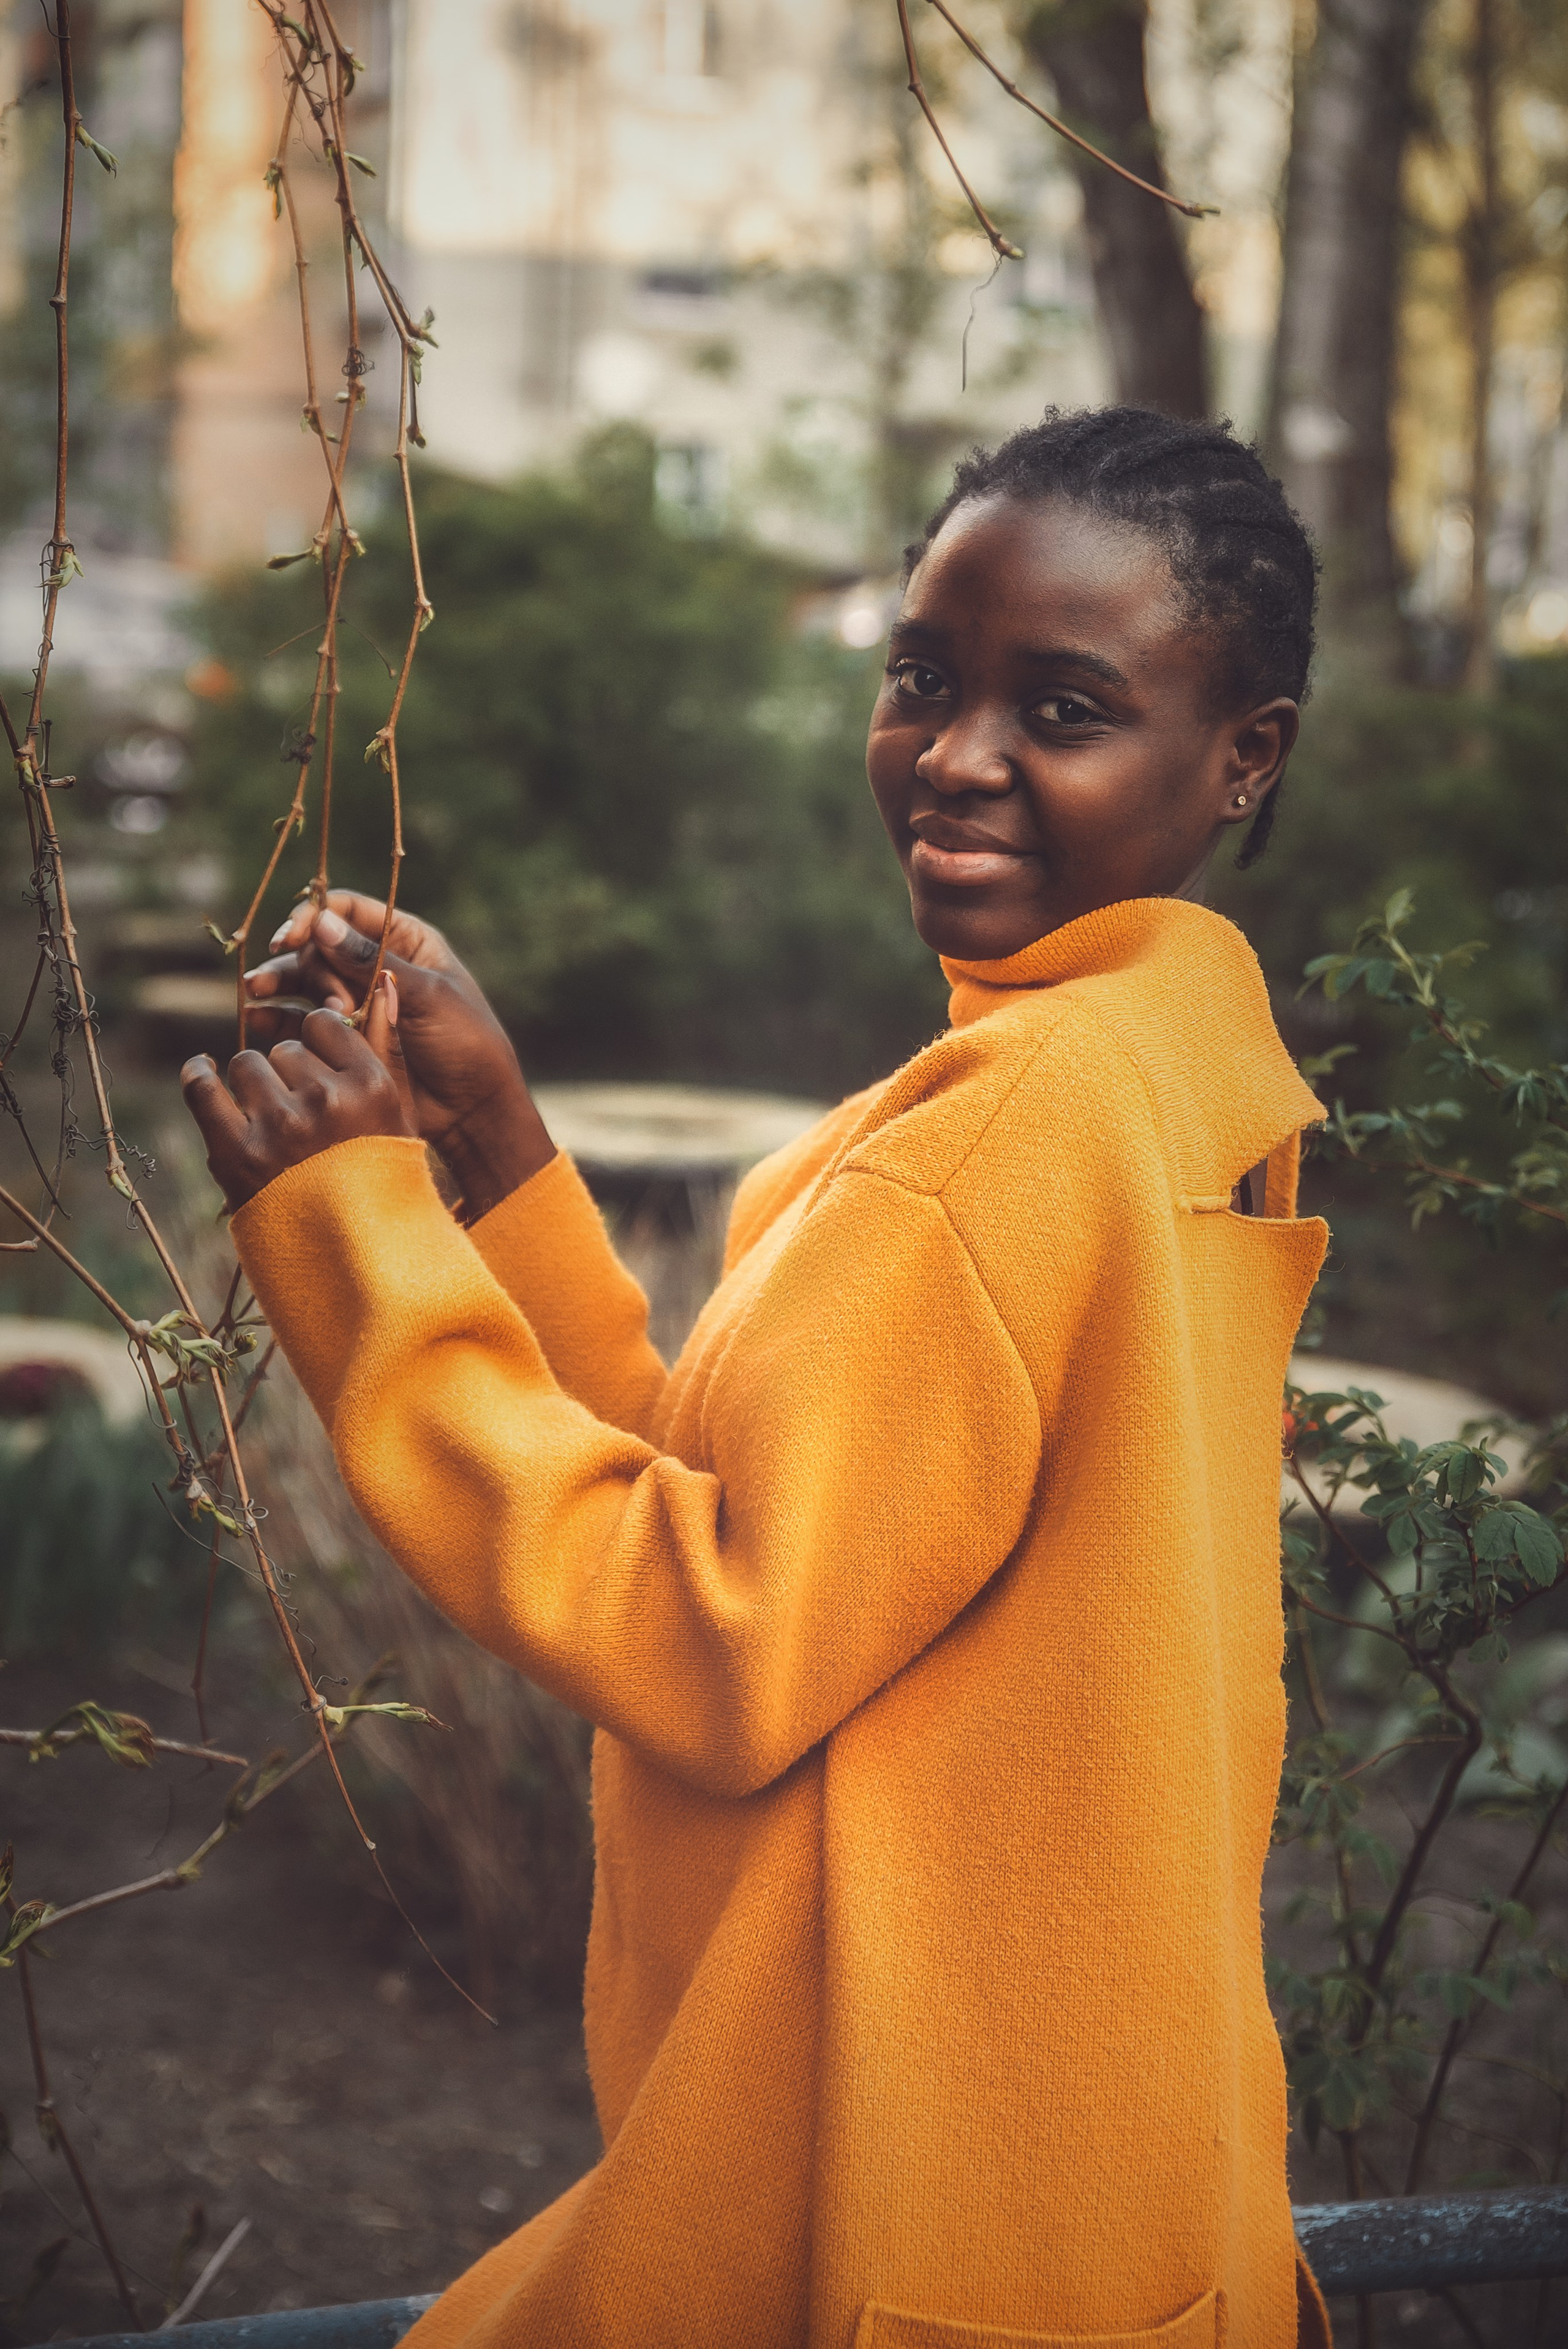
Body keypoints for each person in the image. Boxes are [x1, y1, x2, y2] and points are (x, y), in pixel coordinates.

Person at [183, 407, 1332, 2349]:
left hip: (885, 2191)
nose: (954, 756)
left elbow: (718, 1640)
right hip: (1102, 2173)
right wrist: (502, 1157)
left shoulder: (1011, 1131)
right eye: (924, 677)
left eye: (1063, 709)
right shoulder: (1176, 1068)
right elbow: (791, 1521)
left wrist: (359, 1236)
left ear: (1245, 754)